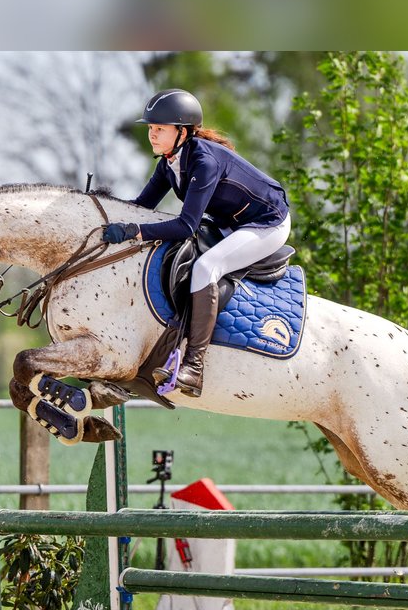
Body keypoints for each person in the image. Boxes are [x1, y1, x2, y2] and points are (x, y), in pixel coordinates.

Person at [102, 89, 291, 398]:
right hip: (232, 223)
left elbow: (185, 225)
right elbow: (141, 206)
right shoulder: (168, 163)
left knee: (207, 266)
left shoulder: (204, 160)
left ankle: (194, 367)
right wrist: (103, 208)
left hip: (267, 223)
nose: (152, 134)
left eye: (159, 128)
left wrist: (134, 231)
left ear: (183, 132)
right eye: (150, 128)